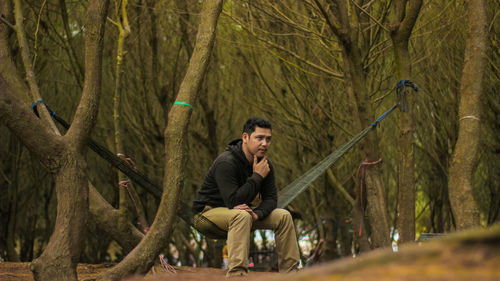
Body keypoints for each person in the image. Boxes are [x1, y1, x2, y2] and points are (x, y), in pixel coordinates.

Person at [193, 117, 300, 277]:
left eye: (268, 139)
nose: (264, 143)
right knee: (241, 215)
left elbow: (271, 199)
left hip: (243, 215)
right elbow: (233, 202)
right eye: (259, 138)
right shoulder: (226, 162)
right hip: (207, 216)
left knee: (283, 216)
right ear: (245, 137)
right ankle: (237, 274)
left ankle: (291, 275)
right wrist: (257, 176)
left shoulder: (266, 164)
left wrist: (257, 214)